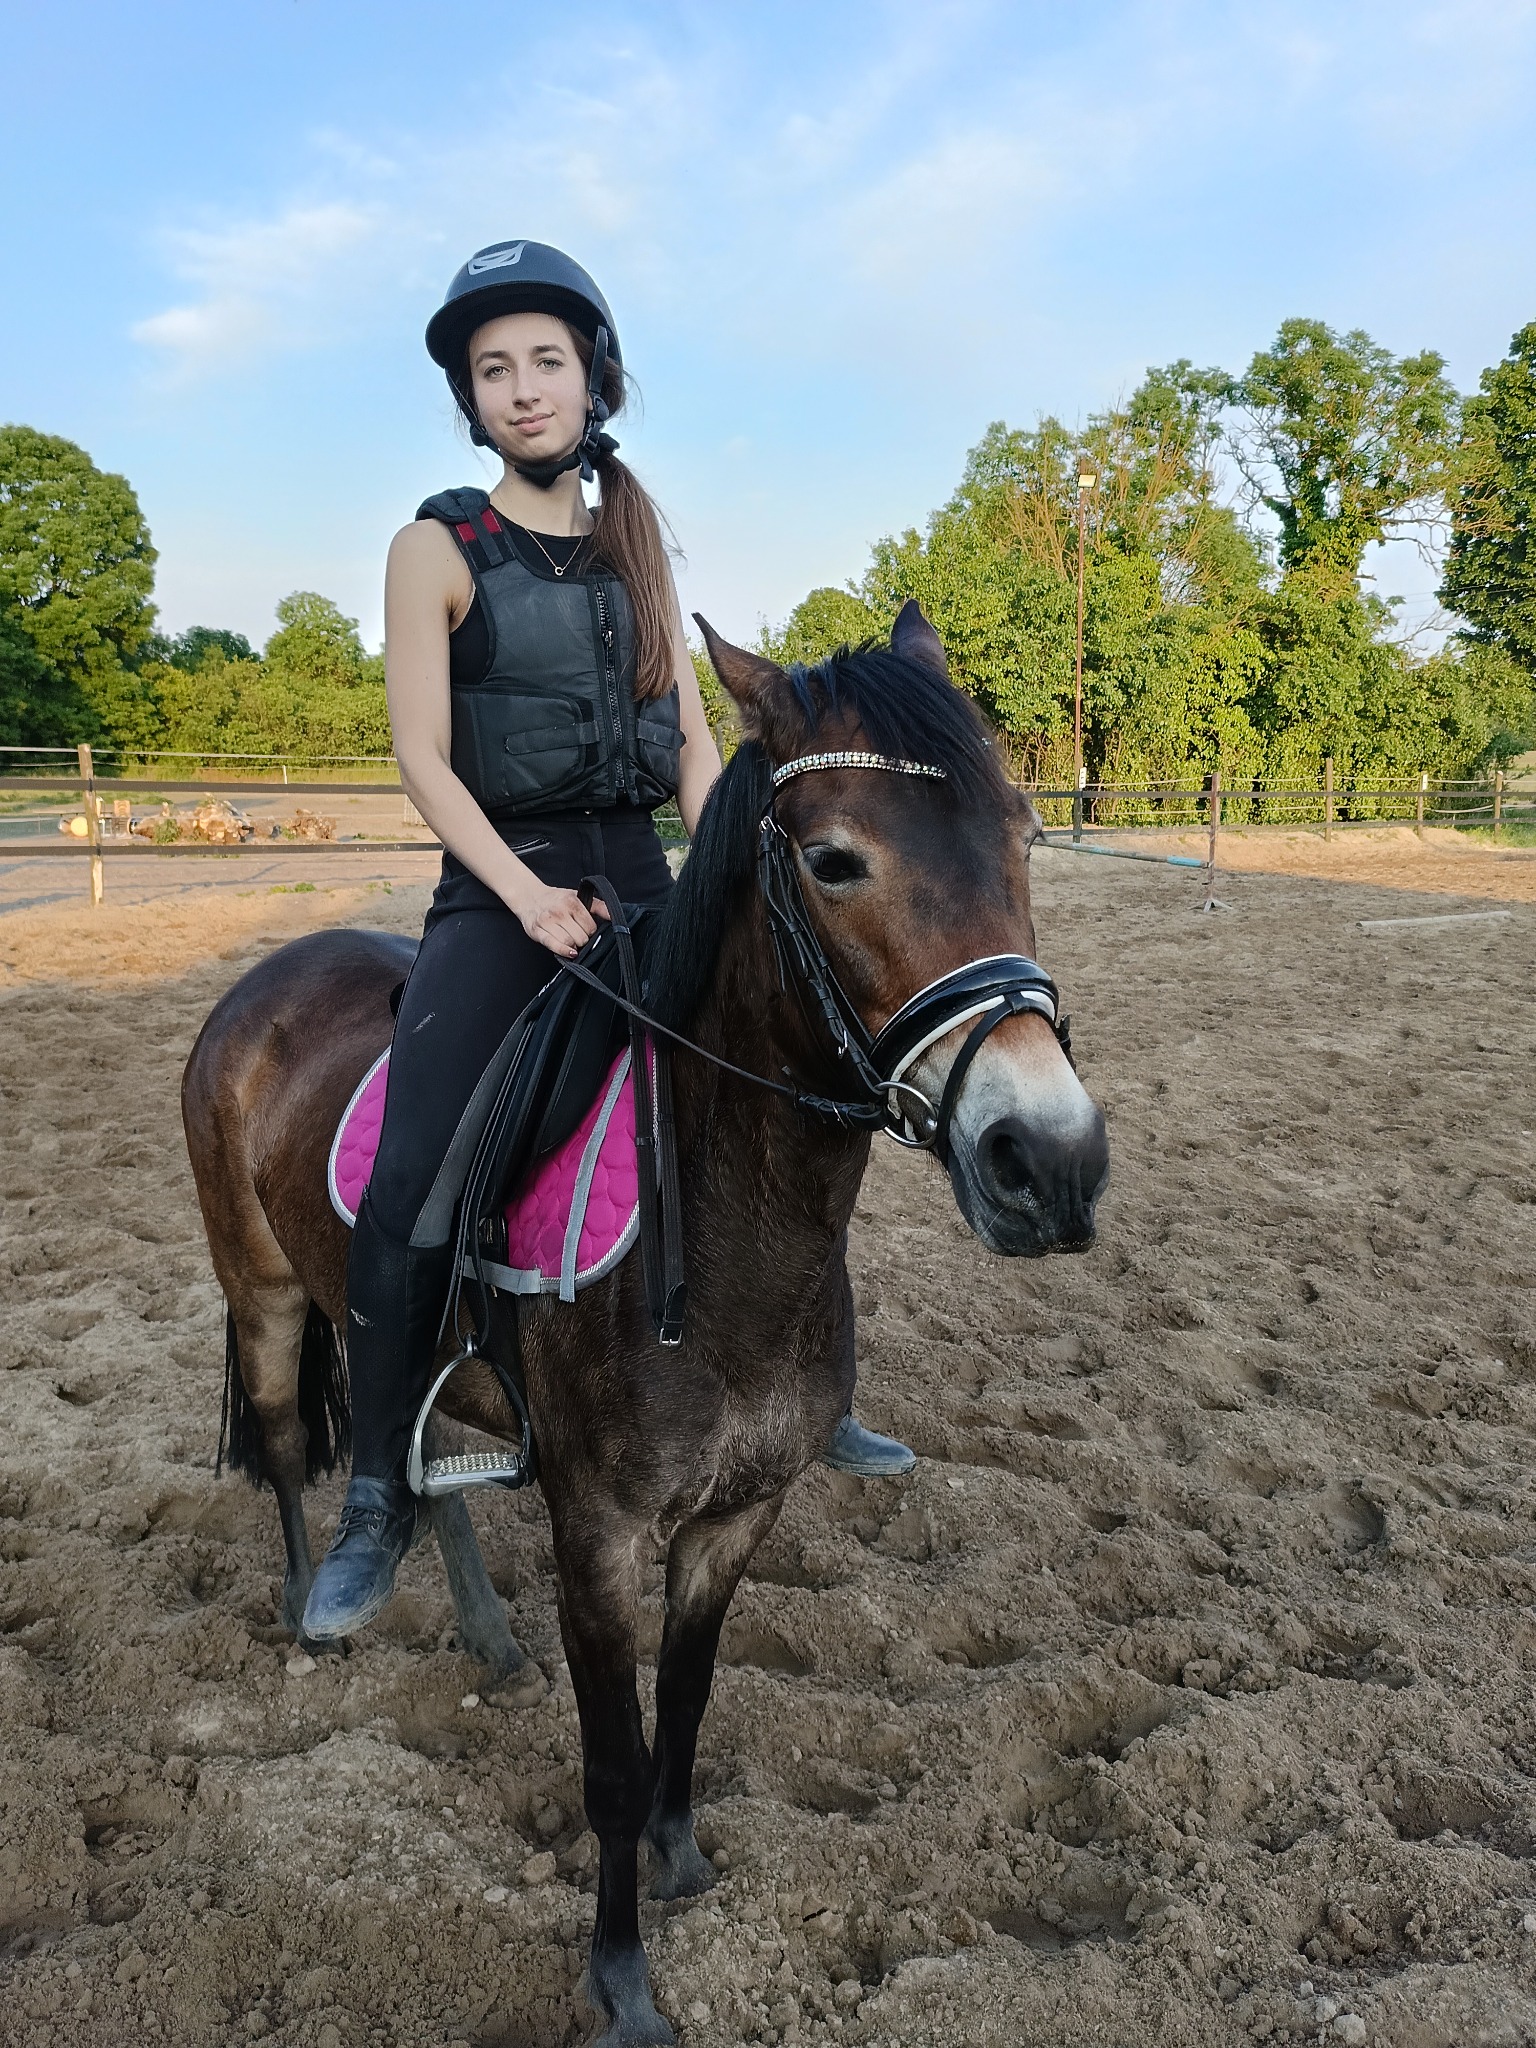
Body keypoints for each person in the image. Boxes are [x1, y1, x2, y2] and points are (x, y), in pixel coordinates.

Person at [304, 241, 913, 1642]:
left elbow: (696, 748)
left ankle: (830, 1392)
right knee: (417, 1173)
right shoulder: (435, 551)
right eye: (493, 369)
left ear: (594, 377)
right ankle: (378, 1498)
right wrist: (521, 898)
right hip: (500, 898)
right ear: (468, 396)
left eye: (546, 362)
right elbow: (420, 756)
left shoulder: (642, 541)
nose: (522, 389)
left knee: (798, 1103)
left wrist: (735, 883)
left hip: (646, 879)